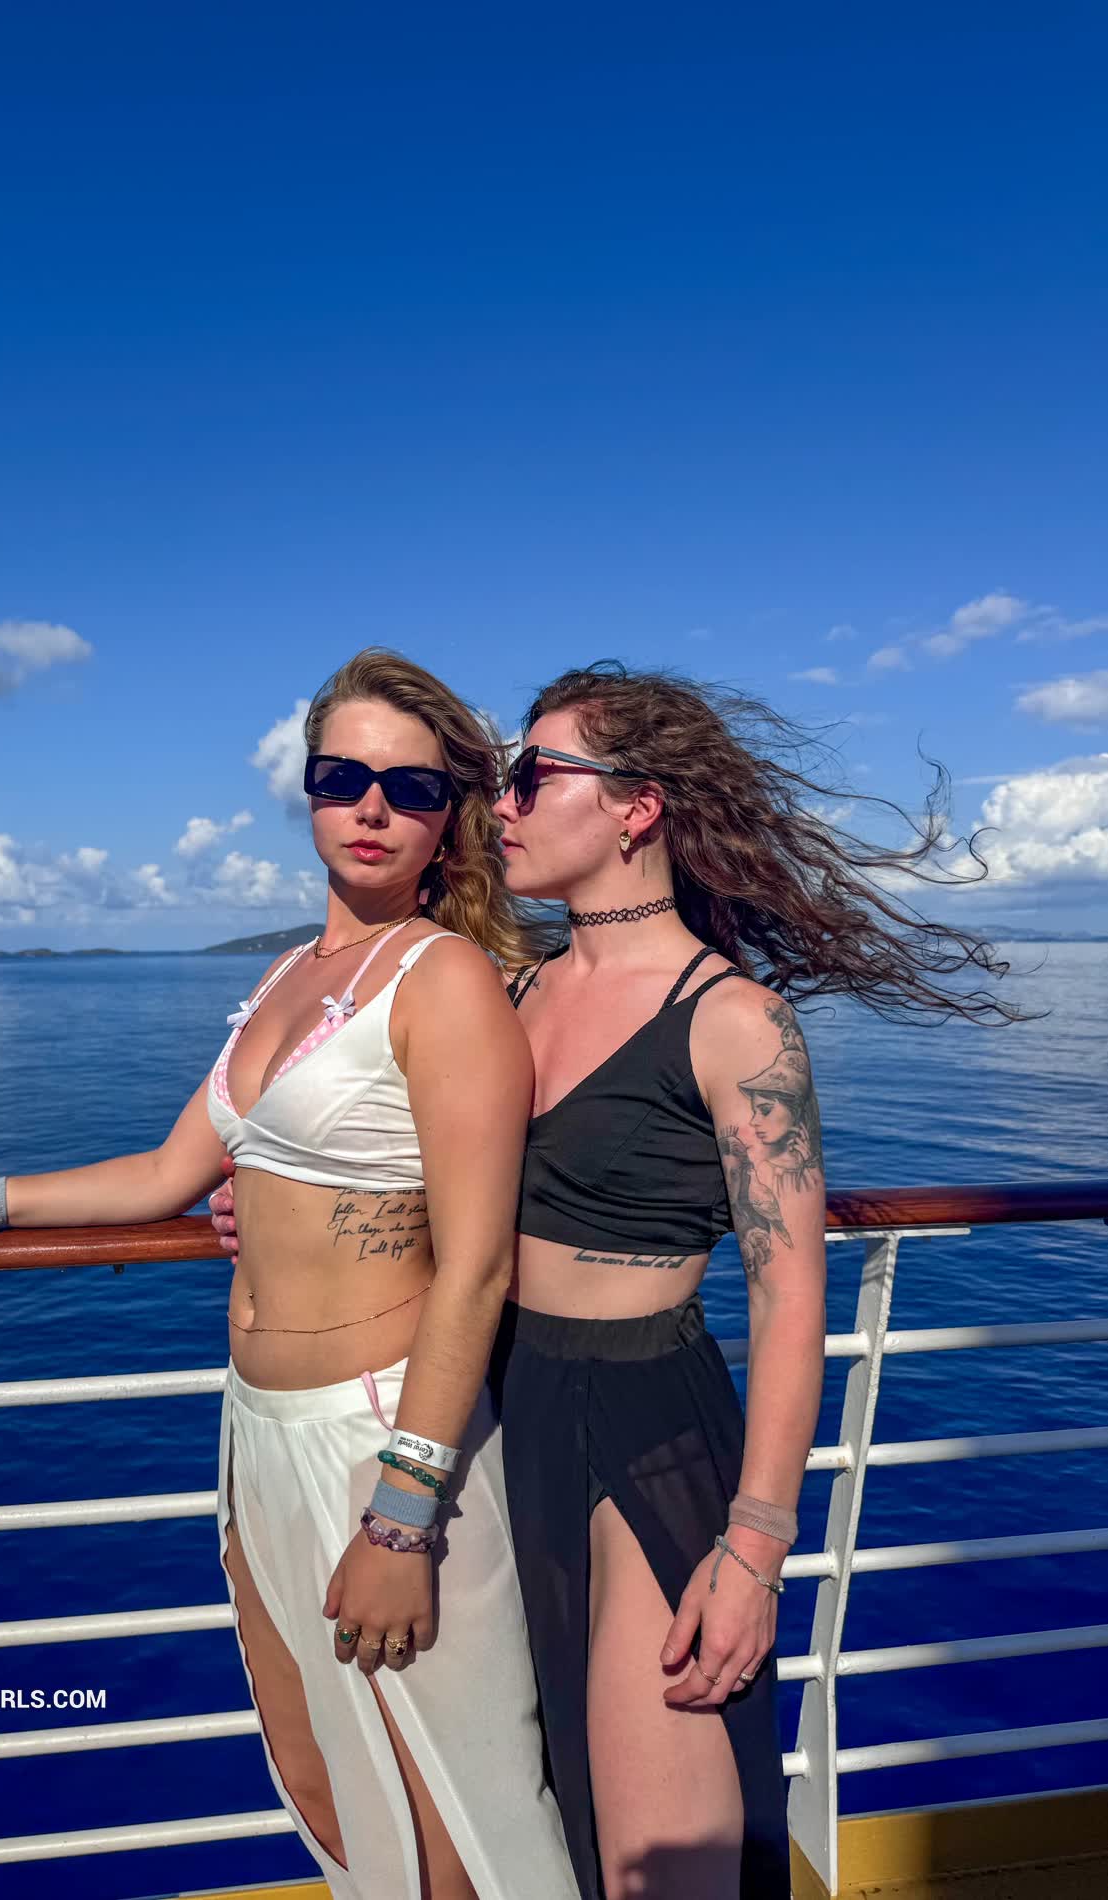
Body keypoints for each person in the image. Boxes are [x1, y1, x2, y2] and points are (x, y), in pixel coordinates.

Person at [213, 661, 1014, 1900]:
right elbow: (414, 1176)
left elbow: (788, 1297)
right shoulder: (509, 988)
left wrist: (755, 1548)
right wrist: (270, 1204)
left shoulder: (732, 1020)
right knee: (531, 1802)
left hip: (641, 1421)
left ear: (637, 807)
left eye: (534, 775)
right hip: (499, 1409)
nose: (503, 805)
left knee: (657, 1852)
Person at [0, 649, 578, 1900]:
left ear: (449, 814)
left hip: (381, 1438)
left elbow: (476, 1268)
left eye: (410, 787)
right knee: (319, 1776)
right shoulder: (289, 976)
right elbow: (167, 1171)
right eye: (342, 777)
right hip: (258, 1435)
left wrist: (403, 1513)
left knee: (449, 1810)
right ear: (307, 789)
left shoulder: (442, 979)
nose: (371, 808)